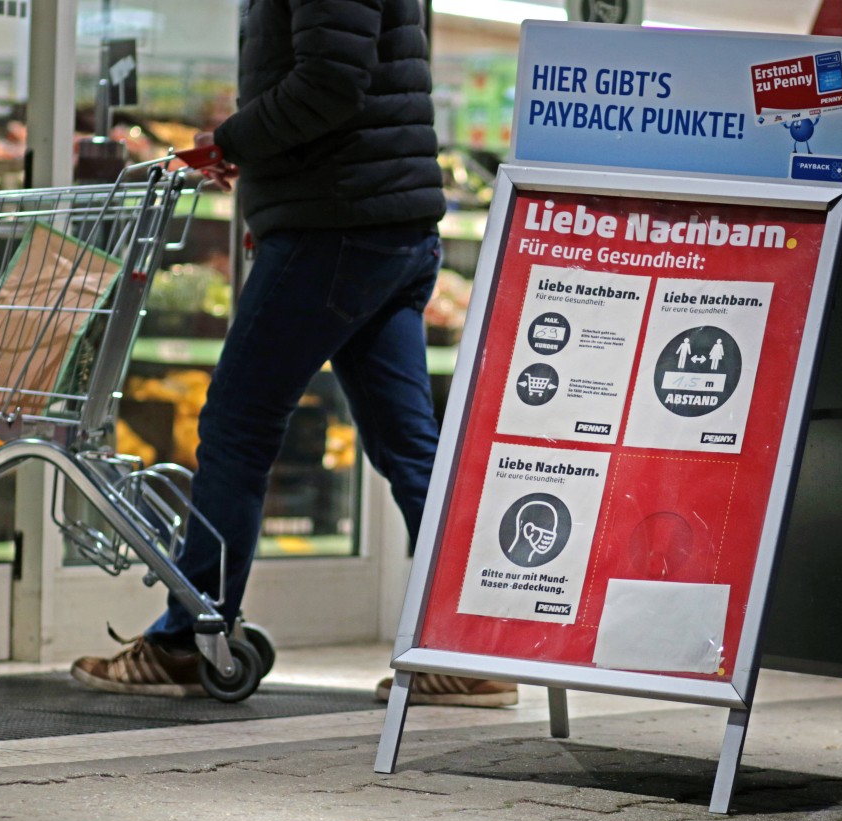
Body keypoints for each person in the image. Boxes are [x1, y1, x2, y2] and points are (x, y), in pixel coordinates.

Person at [71, 0, 517, 708]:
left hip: (334, 228)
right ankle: (469, 646)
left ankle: (190, 637)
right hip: (383, 226)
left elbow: (330, 83)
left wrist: (232, 141)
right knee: (410, 447)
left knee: (236, 427)